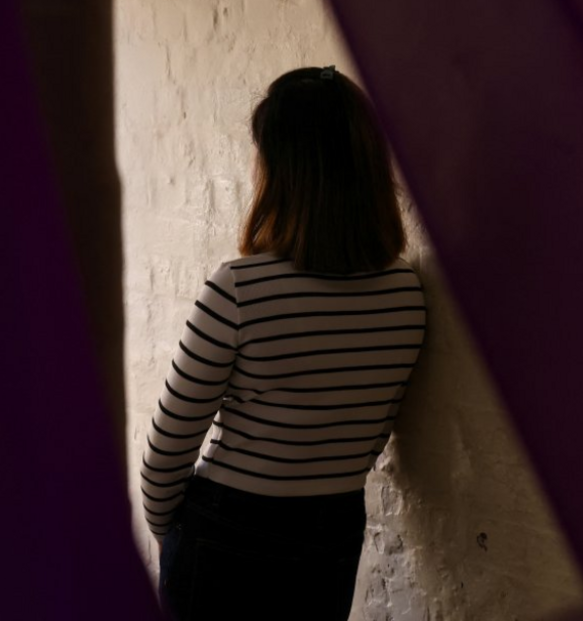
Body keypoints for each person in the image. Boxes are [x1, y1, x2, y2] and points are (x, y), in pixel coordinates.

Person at [140, 66, 426, 621]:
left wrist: (172, 536)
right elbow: (369, 439)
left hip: (225, 531)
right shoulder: (405, 293)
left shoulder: (241, 288)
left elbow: (167, 450)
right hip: (331, 530)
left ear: (280, 171)